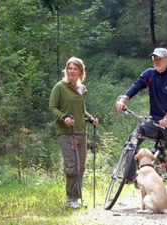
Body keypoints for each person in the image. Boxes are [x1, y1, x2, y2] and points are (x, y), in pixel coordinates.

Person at [115, 47, 167, 208]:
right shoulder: (149, 74)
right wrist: (124, 99)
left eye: (160, 58)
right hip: (154, 123)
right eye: (154, 58)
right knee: (133, 139)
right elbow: (136, 85)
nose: (157, 61)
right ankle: (131, 175)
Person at [49, 57, 98, 209]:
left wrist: (90, 119)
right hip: (65, 131)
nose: (71, 71)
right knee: (72, 165)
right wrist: (63, 118)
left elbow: (81, 110)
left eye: (75, 69)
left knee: (81, 166)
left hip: (81, 131)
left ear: (80, 72)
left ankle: (76, 198)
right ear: (66, 70)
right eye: (69, 68)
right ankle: (71, 199)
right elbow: (52, 107)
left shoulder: (82, 89)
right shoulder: (60, 87)